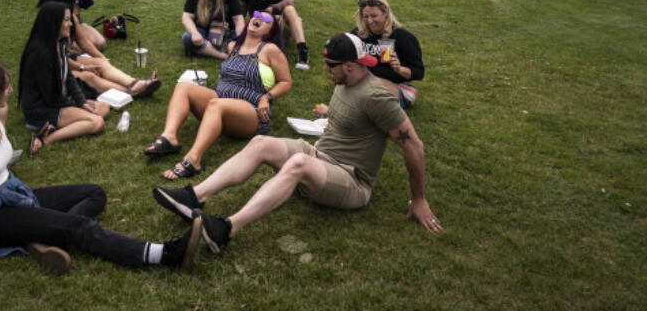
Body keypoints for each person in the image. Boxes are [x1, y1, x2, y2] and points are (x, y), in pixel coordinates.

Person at [0, 61, 204, 274]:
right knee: (79, 227)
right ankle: (164, 255)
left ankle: (41, 238)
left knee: (95, 193)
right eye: (4, 86)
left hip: (14, 195)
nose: (10, 91)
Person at [149, 34, 444, 256]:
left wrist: (418, 198)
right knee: (261, 141)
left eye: (331, 65)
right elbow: (354, 115)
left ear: (352, 65)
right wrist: (332, 114)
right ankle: (195, 196)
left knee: (298, 164)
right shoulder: (345, 82)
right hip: (322, 156)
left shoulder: (377, 97)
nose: (326, 69)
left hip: (352, 180)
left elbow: (414, 145)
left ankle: (226, 229)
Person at [145, 11, 292, 180]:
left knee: (216, 104)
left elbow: (286, 82)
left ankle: (194, 160)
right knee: (183, 86)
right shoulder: (233, 46)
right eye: (257, 14)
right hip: (221, 100)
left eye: (266, 19)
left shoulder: (270, 50)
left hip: (251, 110)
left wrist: (267, 97)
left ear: (269, 31)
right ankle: (169, 138)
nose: (259, 18)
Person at [17, 2, 111, 153]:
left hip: (59, 101)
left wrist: (81, 102)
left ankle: (65, 125)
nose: (70, 24)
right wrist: (74, 106)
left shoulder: (58, 44)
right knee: (97, 122)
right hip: (42, 110)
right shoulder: (41, 54)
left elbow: (68, 76)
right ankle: (45, 139)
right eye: (66, 20)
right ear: (54, 23)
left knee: (104, 106)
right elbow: (50, 97)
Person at [42, 0, 161, 98]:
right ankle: (130, 92)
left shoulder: (70, 17)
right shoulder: (50, 23)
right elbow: (58, 60)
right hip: (54, 69)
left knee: (100, 64)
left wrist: (102, 58)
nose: (77, 1)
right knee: (90, 76)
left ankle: (135, 83)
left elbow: (84, 43)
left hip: (66, 60)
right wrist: (82, 67)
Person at [353, 0, 424, 109]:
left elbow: (419, 72)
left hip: (398, 87)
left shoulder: (402, 36)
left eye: (374, 16)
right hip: (366, 82)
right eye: (366, 16)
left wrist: (398, 68)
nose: (370, 21)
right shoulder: (358, 34)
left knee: (369, 87)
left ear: (385, 13)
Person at [238, 0, 309, 70]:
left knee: (289, 9)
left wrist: (273, 8)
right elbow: (241, 9)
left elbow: (289, 1)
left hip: (277, 25)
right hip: (259, 26)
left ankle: (302, 50)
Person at [181, 0, 245, 59]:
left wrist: (240, 37)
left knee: (242, 39)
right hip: (202, 29)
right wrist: (194, 33)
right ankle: (222, 55)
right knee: (187, 38)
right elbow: (187, 16)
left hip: (225, 30)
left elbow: (238, 18)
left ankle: (206, 49)